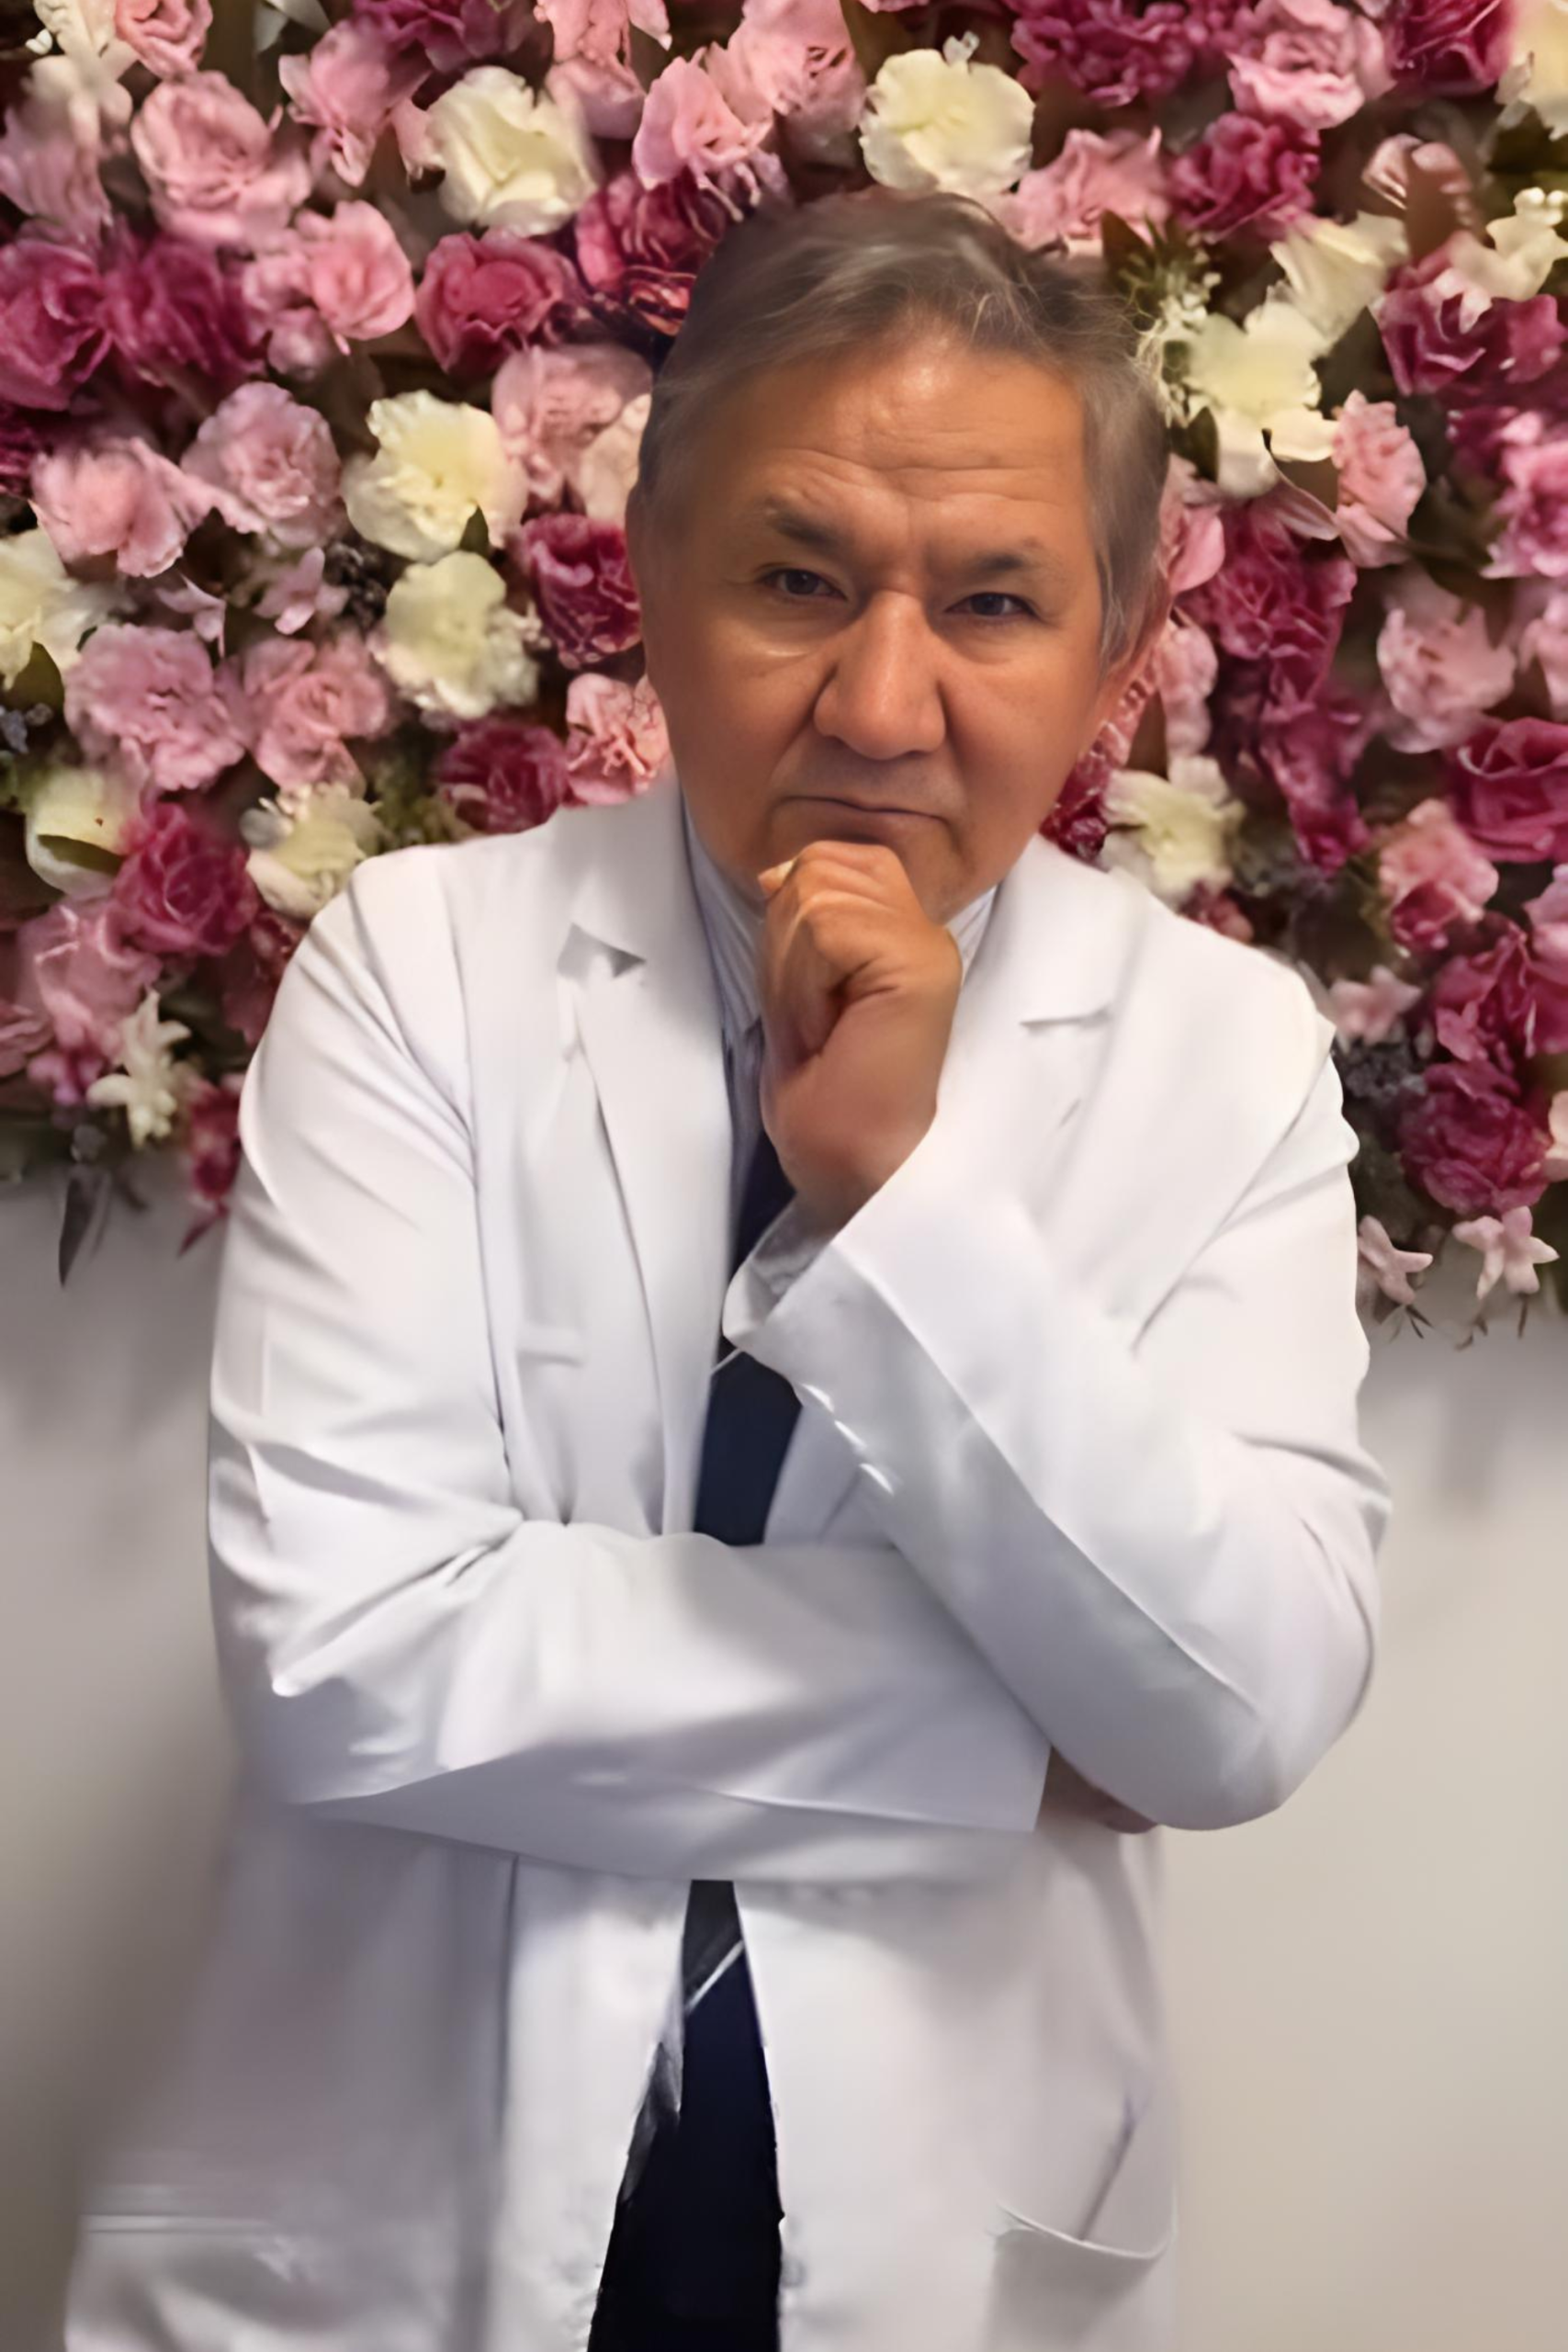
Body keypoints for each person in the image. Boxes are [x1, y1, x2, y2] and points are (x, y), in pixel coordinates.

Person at [63, 188, 1391, 2352]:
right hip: (388, 2216)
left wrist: (891, 1201)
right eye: (795, 580)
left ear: (1120, 646)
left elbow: (1236, 1702)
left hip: (953, 2225)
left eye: (992, 602)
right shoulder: (423, 965)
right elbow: (344, 1654)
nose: (879, 701)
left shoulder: (1219, 1055)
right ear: (650, 571)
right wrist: (1029, 1723)